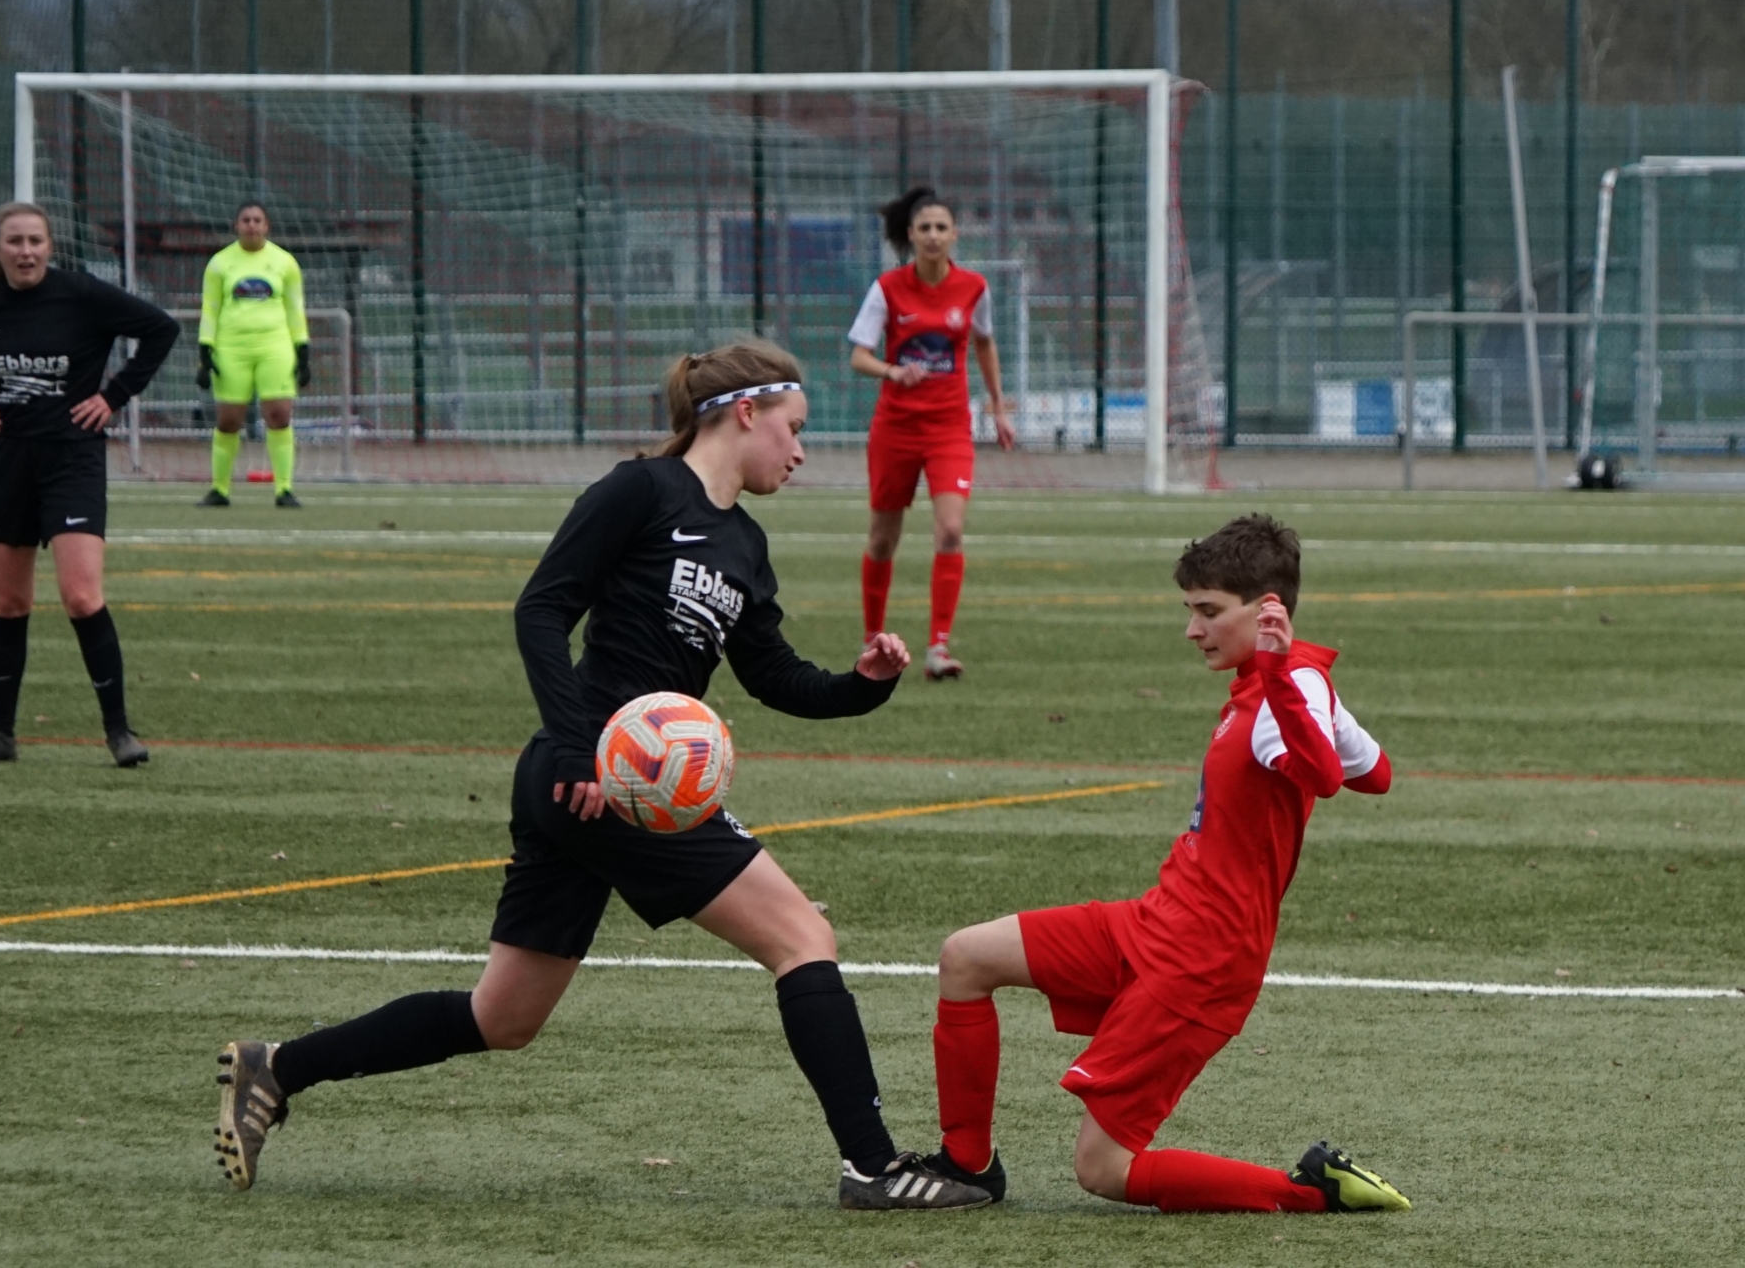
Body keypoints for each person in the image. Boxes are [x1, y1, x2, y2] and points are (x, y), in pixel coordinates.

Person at [211, 341, 993, 1212]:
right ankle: (874, 1165)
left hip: (604, 785)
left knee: (502, 1017)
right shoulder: (639, 491)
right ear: (746, 412)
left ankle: (277, 1067)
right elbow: (542, 608)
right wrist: (584, 747)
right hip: (605, 778)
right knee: (803, 937)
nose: (801, 451)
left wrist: (864, 684)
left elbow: (775, 677)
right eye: (796, 429)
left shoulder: (745, 542)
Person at [922, 515, 1414, 1215]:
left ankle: (1313, 1191)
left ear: (1268, 609)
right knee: (966, 958)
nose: (1193, 629)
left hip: (1202, 959)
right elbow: (1379, 772)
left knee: (1103, 1168)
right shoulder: (1287, 683)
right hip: (1157, 920)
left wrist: (1283, 675)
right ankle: (965, 1167)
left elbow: (1325, 775)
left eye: (1209, 612)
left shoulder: (1283, 688)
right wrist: (1294, 682)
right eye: (1191, 610)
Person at [0, 201, 179, 768]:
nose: (26, 250)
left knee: (82, 596)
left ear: (50, 245)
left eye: (35, 240)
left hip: (72, 461)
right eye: (14, 241)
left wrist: (113, 397)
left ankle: (119, 733)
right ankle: (0, 735)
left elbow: (162, 329)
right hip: (7, 465)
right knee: (9, 602)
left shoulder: (81, 294)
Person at [848, 186, 1015, 681]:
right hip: (895, 428)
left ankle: (938, 648)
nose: (934, 236)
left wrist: (998, 406)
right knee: (882, 540)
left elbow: (984, 344)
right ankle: (871, 640)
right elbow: (858, 354)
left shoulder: (973, 288)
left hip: (948, 428)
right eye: (925, 228)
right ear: (911, 235)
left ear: (954, 234)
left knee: (951, 530)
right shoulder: (887, 288)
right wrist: (891, 371)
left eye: (942, 227)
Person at [195, 202, 310, 507]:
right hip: (232, 348)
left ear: (267, 226)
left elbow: (295, 309)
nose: (252, 225)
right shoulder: (220, 264)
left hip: (275, 346)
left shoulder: (285, 263)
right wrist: (205, 350)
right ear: (237, 225)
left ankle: (284, 489)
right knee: (230, 420)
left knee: (279, 415)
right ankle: (220, 489)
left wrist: (303, 348)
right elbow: (211, 308)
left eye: (258, 220)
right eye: (246, 220)